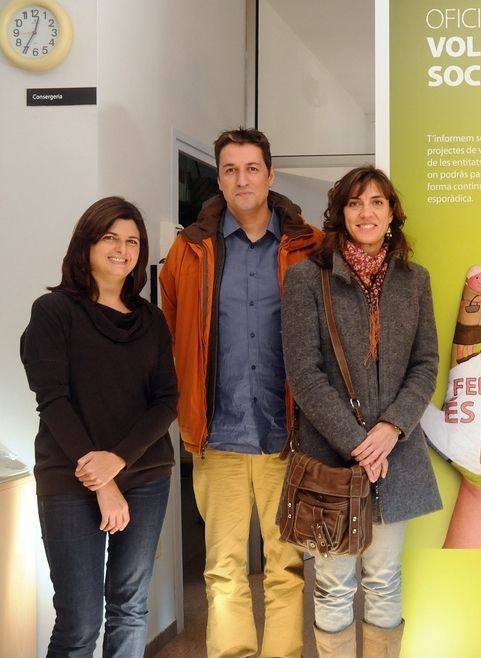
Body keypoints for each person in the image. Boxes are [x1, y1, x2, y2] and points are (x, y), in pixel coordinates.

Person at [159, 128, 321, 658]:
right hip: (218, 435)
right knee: (223, 570)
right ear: (219, 179)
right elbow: (173, 327)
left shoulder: (310, 246)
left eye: (252, 168)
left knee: (286, 567)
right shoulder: (189, 250)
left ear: (270, 175)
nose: (242, 179)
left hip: (287, 435)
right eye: (230, 169)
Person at [281, 166, 441, 657]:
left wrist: (391, 428)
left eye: (376, 202)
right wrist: (357, 443)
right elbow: (303, 373)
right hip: (332, 460)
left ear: (392, 213)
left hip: (396, 456)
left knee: (384, 578)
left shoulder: (414, 280)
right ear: (340, 214)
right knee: (333, 586)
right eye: (354, 203)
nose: (365, 212)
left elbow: (426, 363)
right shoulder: (307, 278)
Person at [22, 197, 177, 657]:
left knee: (130, 609)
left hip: (145, 475)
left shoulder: (151, 319)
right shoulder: (53, 312)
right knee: (80, 620)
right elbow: (53, 400)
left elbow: (166, 400)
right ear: (87, 243)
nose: (122, 249)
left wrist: (120, 460)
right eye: (110, 237)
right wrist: (103, 479)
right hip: (69, 477)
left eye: (132, 241)